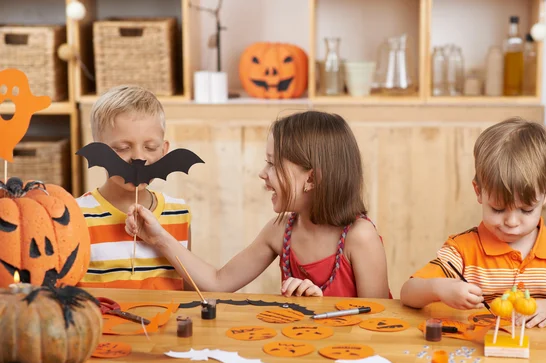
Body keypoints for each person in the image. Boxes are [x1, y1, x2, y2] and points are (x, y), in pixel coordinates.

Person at [125, 110, 390, 298]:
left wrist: (322, 310)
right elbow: (218, 283)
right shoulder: (281, 230)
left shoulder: (360, 238)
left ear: (311, 178)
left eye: (273, 163)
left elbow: (379, 324)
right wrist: (159, 238)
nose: (263, 173)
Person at [400, 117, 546, 363]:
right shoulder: (463, 250)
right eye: (498, 209)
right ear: (478, 192)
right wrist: (439, 288)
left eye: (526, 210)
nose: (512, 222)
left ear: (545, 194)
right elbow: (407, 294)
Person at [76, 85, 191, 290]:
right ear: (98, 151)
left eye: (150, 147)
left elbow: (191, 286)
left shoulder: (179, 212)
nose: (138, 158)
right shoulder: (77, 215)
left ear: (164, 150)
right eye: (122, 148)